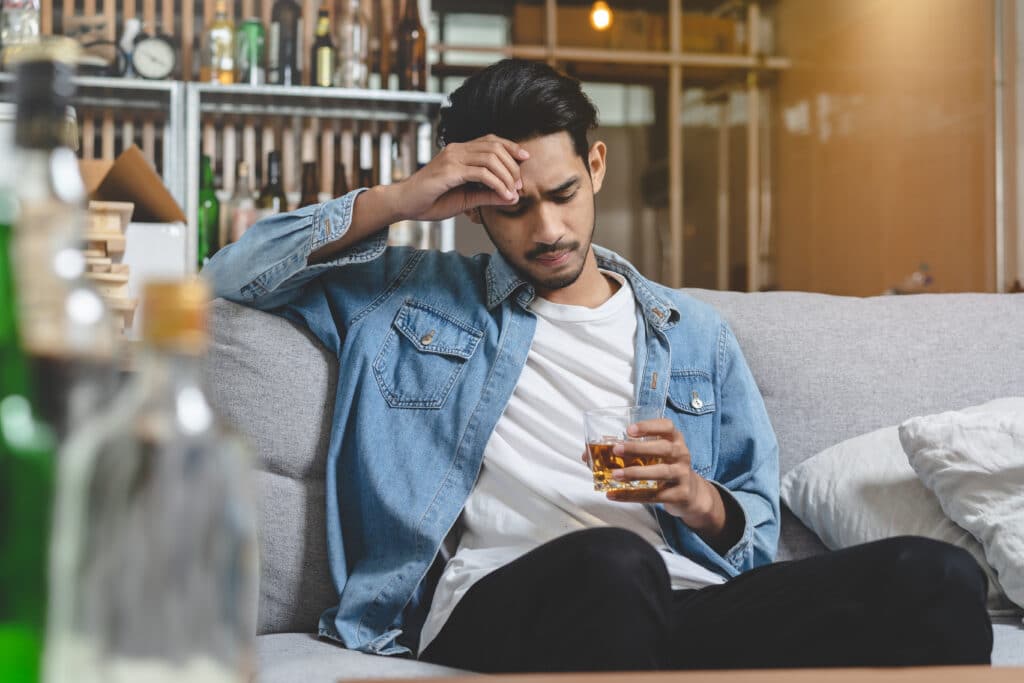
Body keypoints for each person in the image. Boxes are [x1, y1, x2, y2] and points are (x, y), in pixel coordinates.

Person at [203, 58, 993, 672]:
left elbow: (749, 539)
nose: (546, 228)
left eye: (563, 192)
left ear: (598, 168)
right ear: (474, 202)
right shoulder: (411, 295)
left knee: (939, 577)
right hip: (496, 604)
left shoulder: (694, 337)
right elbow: (227, 276)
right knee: (615, 567)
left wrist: (695, 499)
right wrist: (402, 198)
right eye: (513, 207)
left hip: (677, 602)